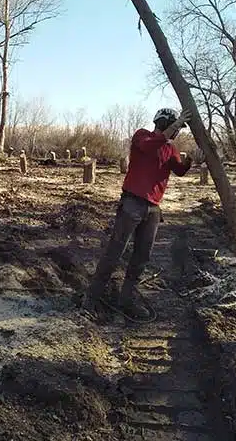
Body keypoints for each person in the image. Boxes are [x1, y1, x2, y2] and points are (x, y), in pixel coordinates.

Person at [83, 107, 193, 320]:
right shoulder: (143, 135)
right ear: (162, 123)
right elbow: (151, 146)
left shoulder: (171, 148)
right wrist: (174, 126)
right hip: (132, 203)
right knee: (115, 250)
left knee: (142, 256)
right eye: (175, 126)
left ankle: (127, 299)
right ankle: (92, 298)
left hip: (153, 209)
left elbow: (179, 170)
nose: (177, 132)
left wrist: (191, 161)